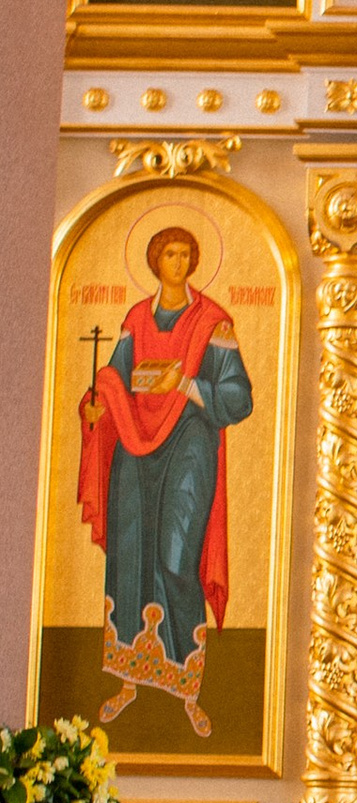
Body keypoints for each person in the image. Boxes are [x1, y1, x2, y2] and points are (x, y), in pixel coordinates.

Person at [76, 222, 254, 736]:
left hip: (190, 446)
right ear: (155, 262)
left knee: (177, 555)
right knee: (132, 550)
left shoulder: (213, 322)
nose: (177, 262)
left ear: (194, 260)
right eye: (168, 254)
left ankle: (186, 685)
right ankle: (129, 678)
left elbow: (238, 397)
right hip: (134, 443)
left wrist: (189, 384)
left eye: (184, 254)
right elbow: (113, 381)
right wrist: (95, 407)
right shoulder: (136, 319)